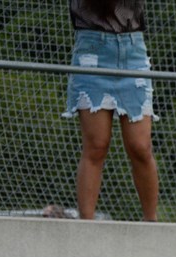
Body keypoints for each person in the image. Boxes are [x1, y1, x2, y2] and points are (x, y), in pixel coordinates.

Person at [63, 0, 160, 221]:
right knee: (96, 145)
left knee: (140, 146)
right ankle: (86, 225)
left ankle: (151, 223)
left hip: (132, 51)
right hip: (92, 50)